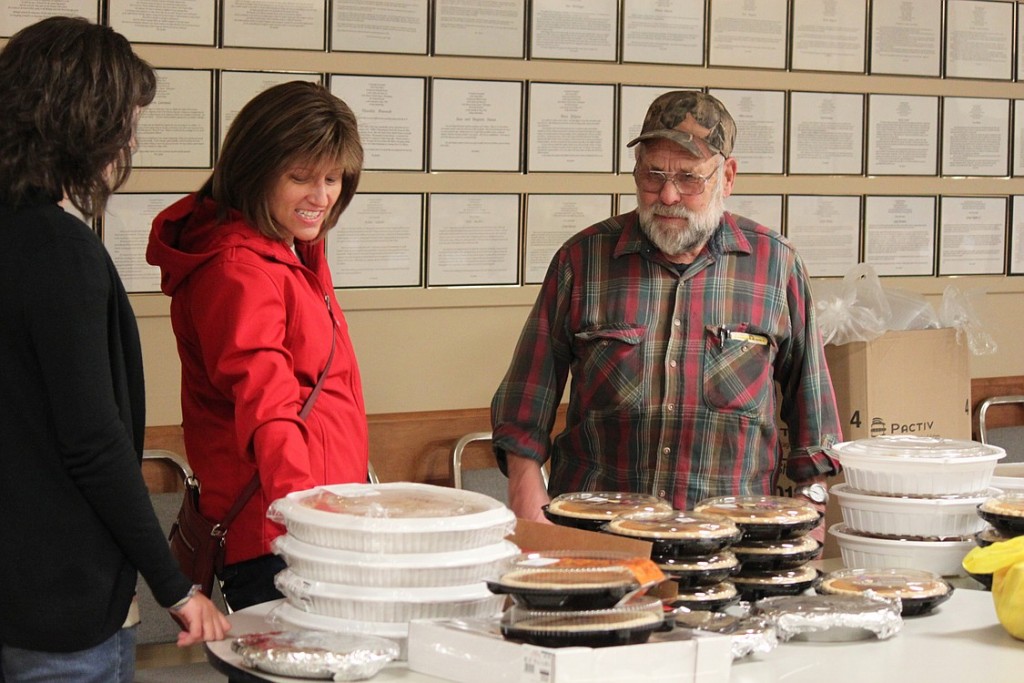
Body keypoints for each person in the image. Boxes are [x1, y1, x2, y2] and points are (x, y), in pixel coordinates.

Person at [491, 91, 842, 540]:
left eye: (689, 178)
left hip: (732, 540)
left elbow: (813, 411)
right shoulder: (583, 260)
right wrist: (527, 492)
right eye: (652, 174)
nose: (668, 194)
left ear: (727, 177)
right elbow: (526, 398)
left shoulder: (776, 266)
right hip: (598, 537)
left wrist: (810, 509)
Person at [0, 16, 229, 682]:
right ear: (86, 121)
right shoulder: (57, 248)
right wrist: (175, 584)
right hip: (56, 604)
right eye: (127, 117)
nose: (130, 136)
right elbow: (92, 439)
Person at [147, 81, 369, 612]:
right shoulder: (239, 271)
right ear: (255, 171)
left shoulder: (289, 252)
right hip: (286, 536)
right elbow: (266, 400)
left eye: (333, 178)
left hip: (312, 523)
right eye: (300, 178)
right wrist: (306, 515)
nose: (321, 197)